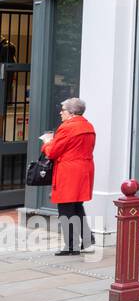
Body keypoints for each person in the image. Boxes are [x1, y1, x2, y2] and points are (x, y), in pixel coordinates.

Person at [41, 98, 96, 256]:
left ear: (71, 113)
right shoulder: (88, 126)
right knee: (77, 206)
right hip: (84, 169)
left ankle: (71, 246)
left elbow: (52, 152)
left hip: (69, 171)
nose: (60, 112)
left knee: (66, 208)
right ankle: (86, 240)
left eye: (63, 109)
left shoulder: (67, 127)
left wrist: (46, 142)